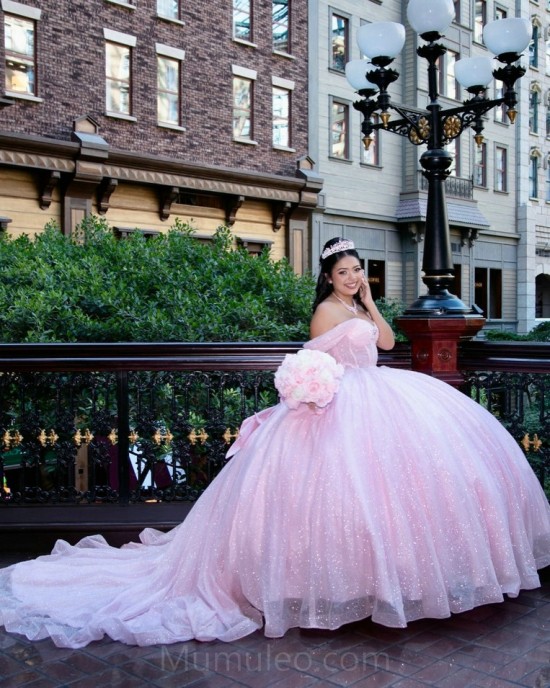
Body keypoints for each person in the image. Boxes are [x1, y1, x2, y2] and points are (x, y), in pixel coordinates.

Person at [0, 237, 549, 649]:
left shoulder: (358, 306)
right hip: (340, 402)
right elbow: (318, 362)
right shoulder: (326, 311)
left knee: (398, 490)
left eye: (358, 271)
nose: (352, 278)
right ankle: (337, 586)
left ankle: (385, 580)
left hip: (382, 392)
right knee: (336, 497)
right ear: (327, 277)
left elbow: (384, 342)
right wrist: (316, 387)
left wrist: (373, 303)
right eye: (343, 272)